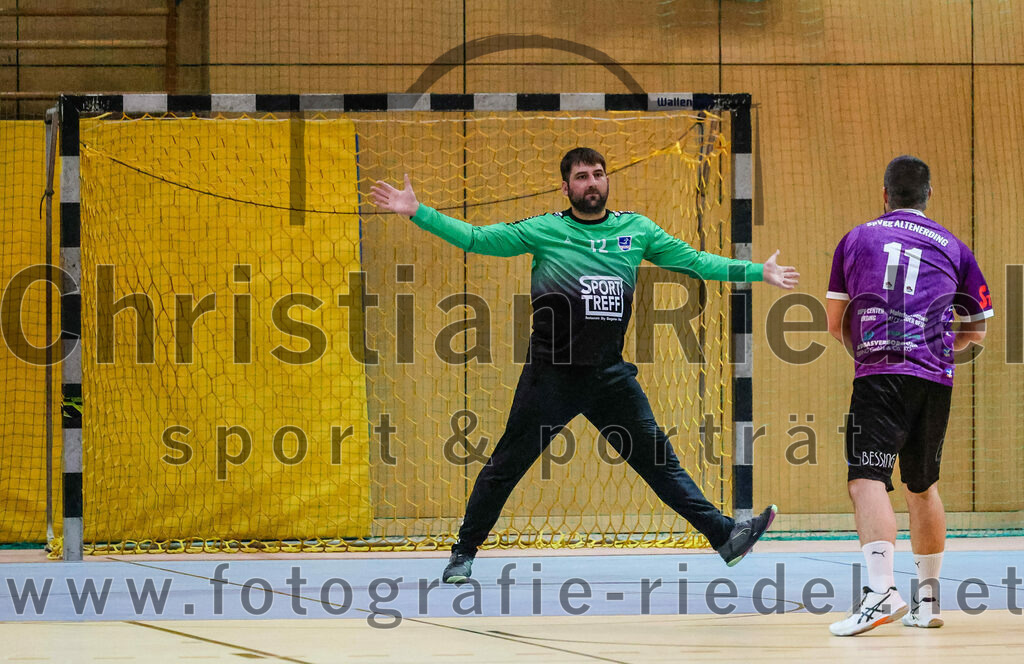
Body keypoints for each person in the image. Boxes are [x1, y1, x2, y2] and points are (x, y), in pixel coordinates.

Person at [370, 148, 799, 584]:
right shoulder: (546, 230)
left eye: (597, 174)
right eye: (581, 176)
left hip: (608, 376)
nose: (591, 182)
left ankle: (725, 537)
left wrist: (754, 270)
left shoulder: (637, 229)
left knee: (659, 463)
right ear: (566, 187)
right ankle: (463, 553)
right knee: (505, 466)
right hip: (551, 376)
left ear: (607, 180)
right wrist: (418, 212)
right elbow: (479, 239)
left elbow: (693, 261)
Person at [825, 155, 993, 636]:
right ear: (928, 194)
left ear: (884, 195)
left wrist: (872, 352)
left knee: (866, 478)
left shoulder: (857, 238)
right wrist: (939, 346)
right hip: (936, 378)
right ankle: (928, 602)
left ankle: (880, 593)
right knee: (923, 486)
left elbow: (836, 325)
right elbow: (976, 330)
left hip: (881, 371)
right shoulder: (955, 247)